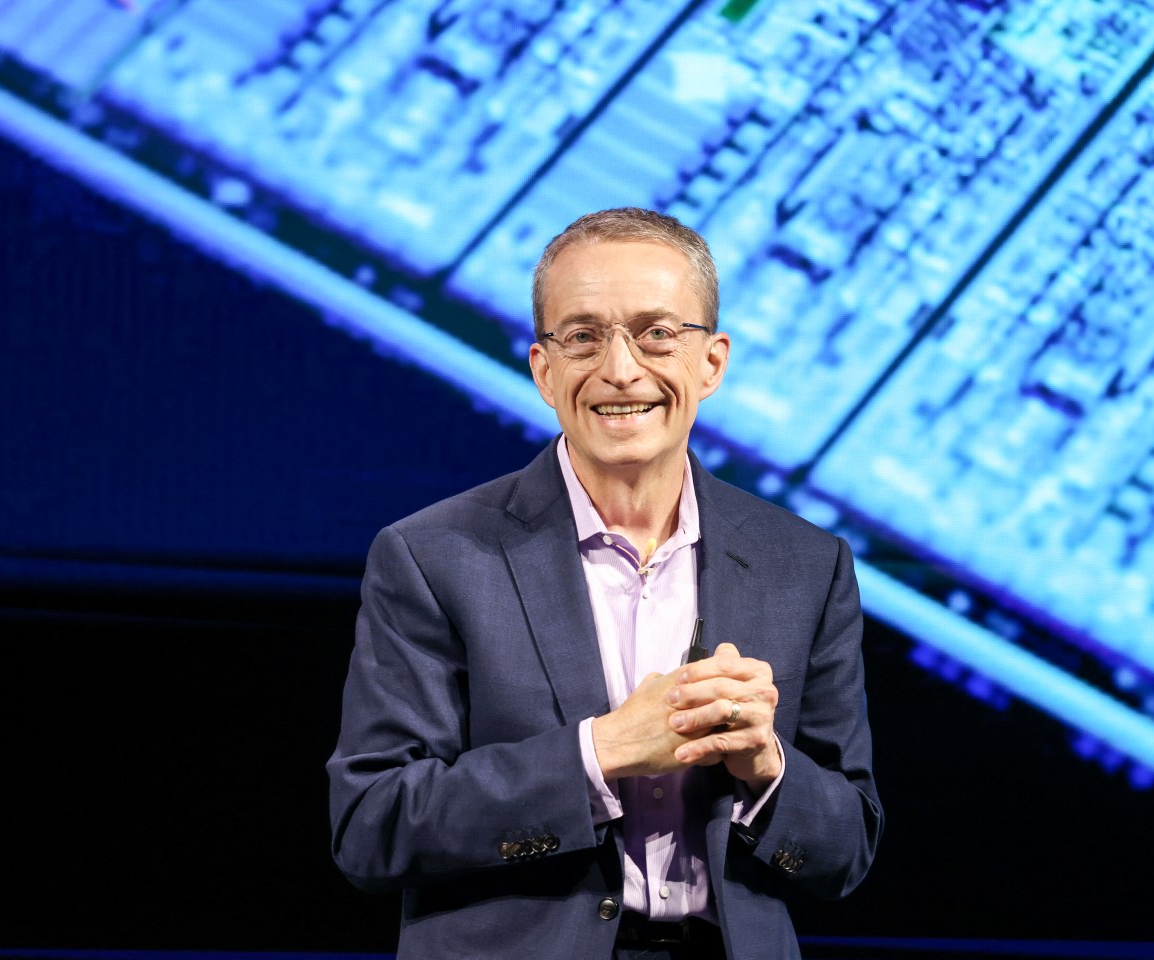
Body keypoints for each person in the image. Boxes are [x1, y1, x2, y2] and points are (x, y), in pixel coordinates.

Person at [327, 208, 882, 959]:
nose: (621, 370)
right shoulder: (432, 556)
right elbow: (373, 826)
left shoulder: (806, 566)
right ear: (543, 369)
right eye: (583, 336)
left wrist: (767, 770)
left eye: (658, 333)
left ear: (712, 363)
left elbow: (846, 849)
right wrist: (600, 752)